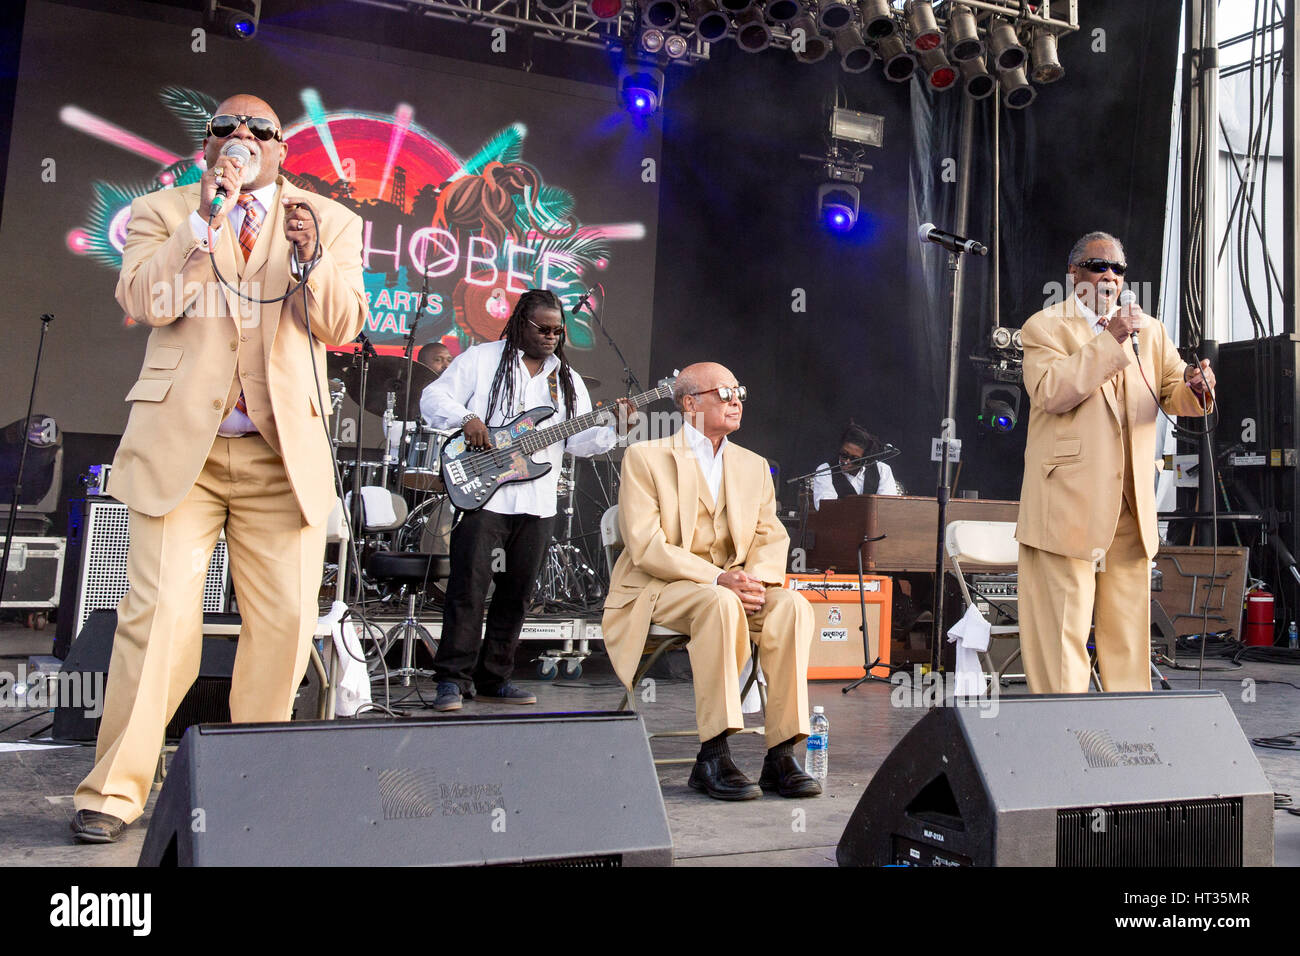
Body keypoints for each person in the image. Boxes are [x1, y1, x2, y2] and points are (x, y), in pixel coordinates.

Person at [71, 95, 368, 843]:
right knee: (155, 621)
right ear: (207, 144)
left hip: (281, 455)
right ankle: (114, 792)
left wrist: (308, 260)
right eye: (225, 129)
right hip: (183, 452)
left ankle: (250, 791)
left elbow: (340, 325)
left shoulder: (328, 220)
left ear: (283, 148)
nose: (240, 138)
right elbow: (146, 299)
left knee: (284, 628)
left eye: (257, 130)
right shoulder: (165, 210)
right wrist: (202, 226)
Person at [603, 363, 821, 801]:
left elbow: (769, 535)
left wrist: (754, 581)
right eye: (723, 392)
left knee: (793, 607)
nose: (736, 399)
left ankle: (781, 753)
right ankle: (713, 754)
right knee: (717, 604)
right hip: (661, 588)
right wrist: (720, 578)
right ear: (689, 403)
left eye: (739, 390)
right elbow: (646, 547)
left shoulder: (754, 465)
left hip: (732, 587)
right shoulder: (645, 458)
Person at [1016, 231, 1215, 693]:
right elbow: (1052, 392)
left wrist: (1197, 386)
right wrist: (1112, 339)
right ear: (1074, 273)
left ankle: (1127, 734)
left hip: (1130, 504)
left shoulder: (1152, 331)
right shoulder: (1045, 326)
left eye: (1118, 268)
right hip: (1067, 503)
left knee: (1128, 634)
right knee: (1063, 630)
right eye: (1097, 264)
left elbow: (1172, 392)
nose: (1110, 274)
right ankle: (1064, 732)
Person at [420, 289, 635, 711]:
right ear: (521, 323)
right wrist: (467, 419)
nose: (552, 336)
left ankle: (495, 677)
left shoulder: (566, 380)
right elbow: (433, 398)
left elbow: (579, 441)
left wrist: (618, 428)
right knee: (468, 588)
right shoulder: (481, 360)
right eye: (544, 329)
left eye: (558, 330)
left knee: (517, 593)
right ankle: (451, 679)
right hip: (483, 495)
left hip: (537, 500)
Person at [811, 422, 899, 510]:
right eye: (844, 455)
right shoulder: (825, 470)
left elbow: (888, 506)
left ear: (865, 460)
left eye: (854, 459)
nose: (846, 461)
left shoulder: (882, 470)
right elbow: (826, 507)